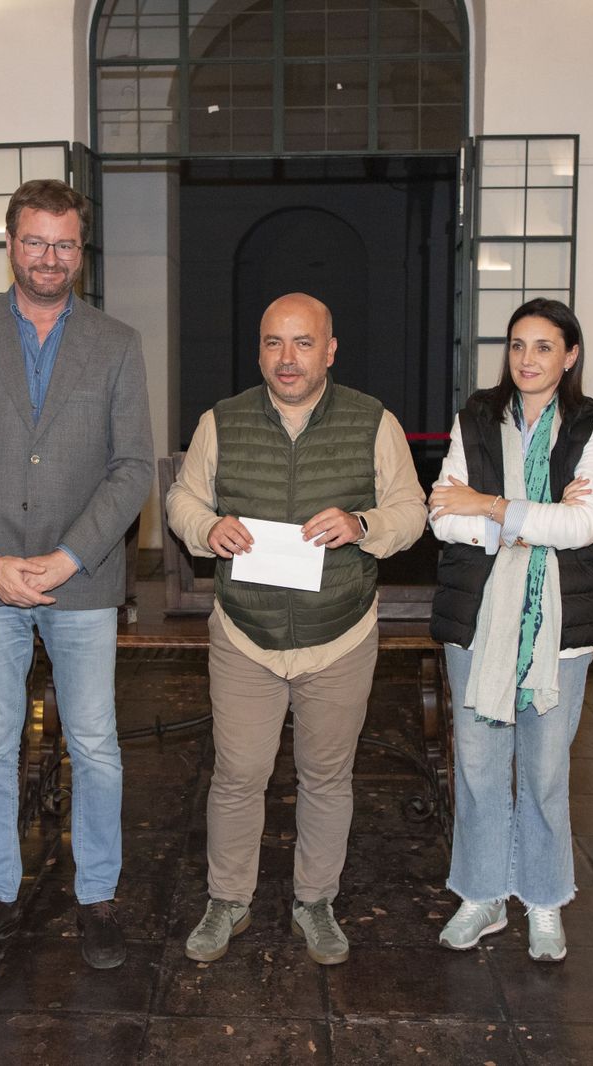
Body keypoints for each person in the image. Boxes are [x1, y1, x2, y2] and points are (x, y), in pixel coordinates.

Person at [0, 179, 152, 972]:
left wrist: (67, 556)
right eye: (34, 241)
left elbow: (131, 469)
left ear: (79, 253)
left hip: (81, 580)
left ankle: (97, 900)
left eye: (64, 244)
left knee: (95, 744)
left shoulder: (117, 343)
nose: (49, 257)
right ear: (10, 244)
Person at [165, 292, 427, 966]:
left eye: (302, 343)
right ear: (259, 350)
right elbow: (183, 500)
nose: (287, 358)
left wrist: (363, 525)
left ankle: (316, 901)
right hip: (246, 635)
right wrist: (206, 527)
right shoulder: (220, 422)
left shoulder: (374, 422)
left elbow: (411, 510)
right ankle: (228, 900)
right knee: (237, 776)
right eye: (273, 343)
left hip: (338, 636)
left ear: (330, 350)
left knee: (327, 778)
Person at [426, 297, 593, 963]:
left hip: (560, 632)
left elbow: (582, 526)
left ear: (570, 356)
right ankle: (481, 896)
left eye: (543, 346)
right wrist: (530, 520)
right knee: (477, 767)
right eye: (517, 345)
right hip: (476, 622)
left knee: (543, 770)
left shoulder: (588, 426)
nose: (527, 359)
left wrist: (492, 506)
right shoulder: (476, 417)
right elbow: (444, 518)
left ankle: (541, 899)